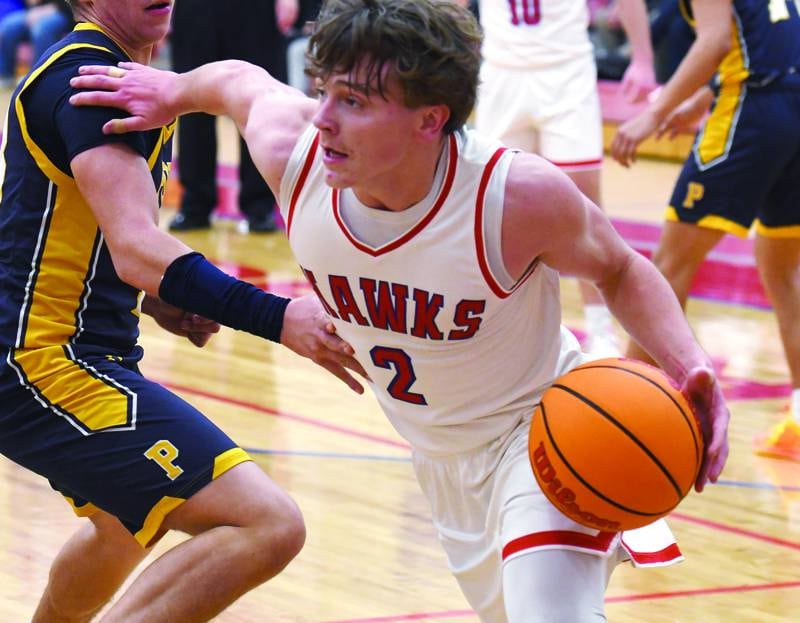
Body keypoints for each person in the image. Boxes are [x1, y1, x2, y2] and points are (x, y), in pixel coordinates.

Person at [70, 0, 730, 620]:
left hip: (546, 436)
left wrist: (690, 363)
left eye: (353, 101)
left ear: (430, 119)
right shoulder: (294, 153)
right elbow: (242, 81)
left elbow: (619, 266)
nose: (323, 115)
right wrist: (173, 91)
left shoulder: (512, 196)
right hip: (438, 462)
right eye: (324, 88)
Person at [0, 1, 367, 621]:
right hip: (43, 360)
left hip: (74, 348)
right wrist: (279, 319)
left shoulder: (119, 73)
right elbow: (138, 248)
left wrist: (153, 298)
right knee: (268, 523)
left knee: (122, 526)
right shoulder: (91, 82)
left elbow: (73, 229)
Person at [610, 0, 800, 461]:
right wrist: (698, 101)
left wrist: (654, 114)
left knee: (668, 268)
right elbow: (764, 39)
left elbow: (715, 39)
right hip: (794, 105)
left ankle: (624, 416)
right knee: (783, 272)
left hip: (753, 111)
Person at [470, 0, 658, 358]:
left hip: (565, 71)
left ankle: (601, 330)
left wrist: (643, 59)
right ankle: (498, 323)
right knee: (494, 205)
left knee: (584, 206)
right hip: (499, 72)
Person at [168, 0, 297, 233]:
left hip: (255, 10)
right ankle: (194, 205)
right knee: (190, 98)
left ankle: (259, 208)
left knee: (260, 100)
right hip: (195, 8)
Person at [0, 0, 73, 88]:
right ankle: (6, 77)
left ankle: (36, 77)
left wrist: (53, 8)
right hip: (35, 10)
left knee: (42, 28)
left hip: (65, 11)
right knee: (8, 26)